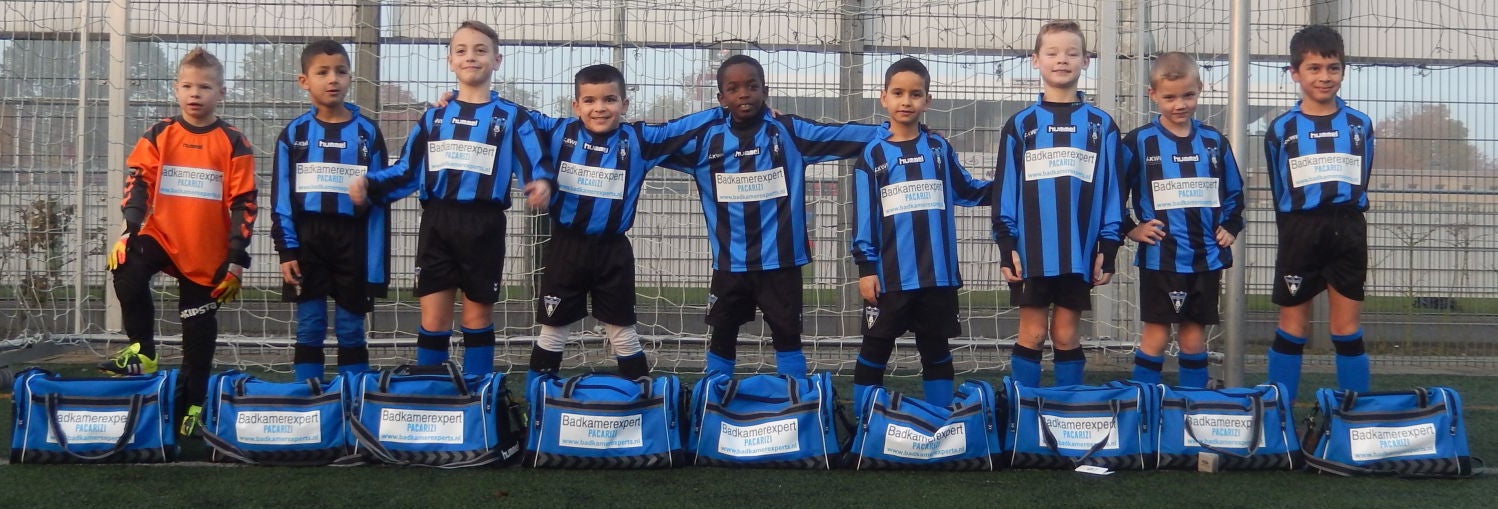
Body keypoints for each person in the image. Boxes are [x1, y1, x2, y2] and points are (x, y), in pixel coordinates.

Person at [351, 20, 552, 377]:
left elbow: (533, 161)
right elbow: (407, 171)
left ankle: (477, 393)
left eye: (480, 50)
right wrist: (369, 184)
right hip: (438, 224)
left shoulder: (512, 117)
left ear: (496, 60)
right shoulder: (434, 117)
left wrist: (541, 183)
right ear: (450, 61)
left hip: (484, 226)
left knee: (477, 317)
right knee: (434, 318)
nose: (470, 56)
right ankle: (431, 392)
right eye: (461, 50)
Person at [661, 54, 881, 378]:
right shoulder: (704, 140)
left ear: (765, 90)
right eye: (733, 89)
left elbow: (842, 135)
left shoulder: (788, 132)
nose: (744, 94)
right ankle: (715, 397)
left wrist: (899, 131)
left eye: (752, 86)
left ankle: (793, 396)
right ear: (721, 98)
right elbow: (649, 146)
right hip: (731, 264)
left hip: (782, 263)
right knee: (723, 335)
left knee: (787, 335)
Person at [520, 64, 724, 388]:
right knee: (554, 331)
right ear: (576, 106)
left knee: (622, 331)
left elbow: (682, 127)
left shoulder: (638, 140)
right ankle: (537, 404)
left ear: (624, 104)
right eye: (589, 100)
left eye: (610, 99)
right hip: (565, 249)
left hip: (613, 252)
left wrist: (732, 109)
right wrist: (463, 99)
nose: (599, 108)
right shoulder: (558, 132)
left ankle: (641, 402)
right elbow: (512, 116)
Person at [102, 47, 257, 435]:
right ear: (176, 89)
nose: (195, 93)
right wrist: (129, 228)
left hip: (206, 253)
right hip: (162, 237)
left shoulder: (234, 142)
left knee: (198, 332)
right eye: (187, 86)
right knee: (126, 263)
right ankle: (143, 350)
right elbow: (139, 181)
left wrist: (236, 258)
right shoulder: (160, 133)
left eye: (204, 87)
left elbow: (244, 203)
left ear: (221, 92)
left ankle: (192, 406)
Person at [849, 57, 992, 408]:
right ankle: (864, 421)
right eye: (898, 93)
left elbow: (966, 189)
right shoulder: (873, 155)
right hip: (890, 276)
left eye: (915, 94)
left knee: (936, 348)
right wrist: (866, 268)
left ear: (927, 100)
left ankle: (941, 418)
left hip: (937, 276)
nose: (906, 101)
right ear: (883, 97)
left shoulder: (938, 148)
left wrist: (1010, 187)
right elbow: (864, 217)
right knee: (875, 346)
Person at [992, 20, 1123, 387]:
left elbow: (1113, 192)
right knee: (1032, 334)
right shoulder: (1021, 125)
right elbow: (1005, 192)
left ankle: (1067, 411)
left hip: (1078, 252)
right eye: (1052, 52)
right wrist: (1006, 245)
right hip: (1030, 252)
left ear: (1086, 61)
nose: (1062, 59)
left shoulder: (1101, 125)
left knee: (1066, 335)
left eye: (1071, 53)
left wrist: (1109, 247)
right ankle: (1024, 412)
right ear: (1036, 60)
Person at [1120, 52, 1244, 388]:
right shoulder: (1139, 142)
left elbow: (1234, 191)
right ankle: (1144, 404)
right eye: (1170, 97)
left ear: (1199, 88)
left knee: (1193, 337)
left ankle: (1193, 405)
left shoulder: (1214, 141)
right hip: (1162, 257)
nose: (1180, 104)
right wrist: (1131, 228)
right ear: (1153, 95)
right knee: (1156, 335)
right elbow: (1113, 192)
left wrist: (1231, 226)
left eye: (1188, 95)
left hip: (1206, 257)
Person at [1264, 25, 1374, 399]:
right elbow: (1279, 187)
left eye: (1333, 68)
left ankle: (1354, 414)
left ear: (1343, 70)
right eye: (1314, 68)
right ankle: (1279, 414)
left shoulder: (1359, 124)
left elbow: (1361, 177)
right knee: (1292, 325)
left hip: (1348, 228)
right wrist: (1294, 227)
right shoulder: (1282, 128)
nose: (1324, 76)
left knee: (1346, 328)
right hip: (1300, 230)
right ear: (1295, 72)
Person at [271, 40, 389, 382]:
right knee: (310, 325)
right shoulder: (294, 134)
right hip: (308, 242)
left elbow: (380, 201)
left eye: (340, 71)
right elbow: (281, 200)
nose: (333, 79)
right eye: (322, 72)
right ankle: (307, 399)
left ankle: (354, 399)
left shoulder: (367, 134)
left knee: (351, 327)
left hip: (353, 242)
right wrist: (287, 250)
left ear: (350, 77)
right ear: (304, 81)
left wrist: (375, 266)